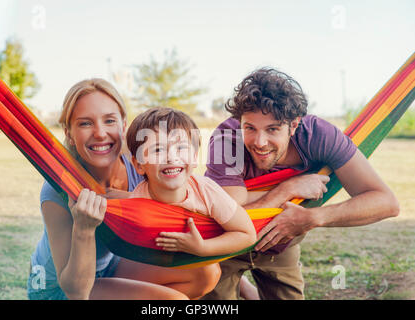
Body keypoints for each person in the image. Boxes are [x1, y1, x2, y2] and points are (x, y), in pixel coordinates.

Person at [202, 68, 400, 300]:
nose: (260, 142)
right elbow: (227, 214)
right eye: (250, 128)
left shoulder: (319, 137)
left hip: (281, 241)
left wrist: (313, 218)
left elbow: (386, 202)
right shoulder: (227, 139)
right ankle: (241, 284)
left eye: (273, 129)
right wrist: (289, 188)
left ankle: (245, 287)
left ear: (294, 126)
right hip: (225, 243)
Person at [27, 78, 191, 300]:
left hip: (111, 267)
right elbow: (76, 292)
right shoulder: (59, 189)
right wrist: (84, 229)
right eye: (85, 123)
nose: (100, 133)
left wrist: (126, 199)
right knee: (172, 300)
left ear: (123, 125)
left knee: (205, 272)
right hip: (61, 288)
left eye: (109, 121)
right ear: (69, 133)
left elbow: (186, 211)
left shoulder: (140, 165)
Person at [108, 107, 256, 299]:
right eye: (158, 149)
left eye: (181, 148)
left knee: (207, 272)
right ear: (139, 165)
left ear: (194, 158)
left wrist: (203, 248)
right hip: (145, 262)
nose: (171, 157)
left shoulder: (207, 192)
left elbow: (247, 234)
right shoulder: (138, 201)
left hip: (187, 261)